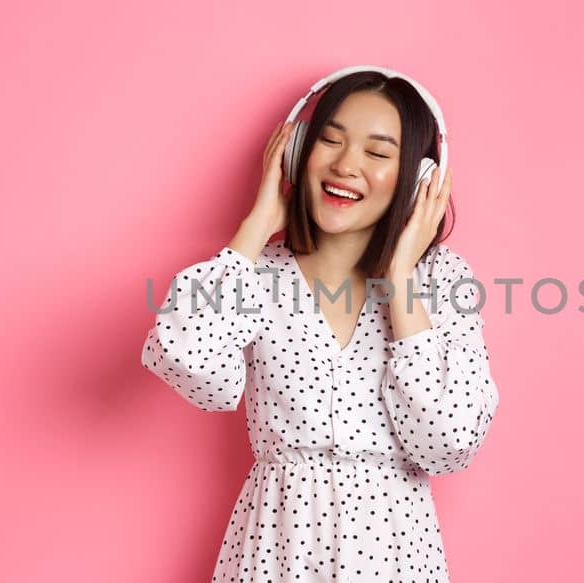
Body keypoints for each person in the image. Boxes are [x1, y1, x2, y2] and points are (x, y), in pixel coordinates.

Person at [141, 68, 500, 582]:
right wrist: (254, 229)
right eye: (329, 141)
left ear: (420, 180)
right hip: (276, 549)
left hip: (394, 554)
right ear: (296, 154)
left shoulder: (441, 279)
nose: (345, 165)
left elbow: (449, 442)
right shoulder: (256, 274)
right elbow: (189, 361)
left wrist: (400, 279)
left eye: (377, 154)